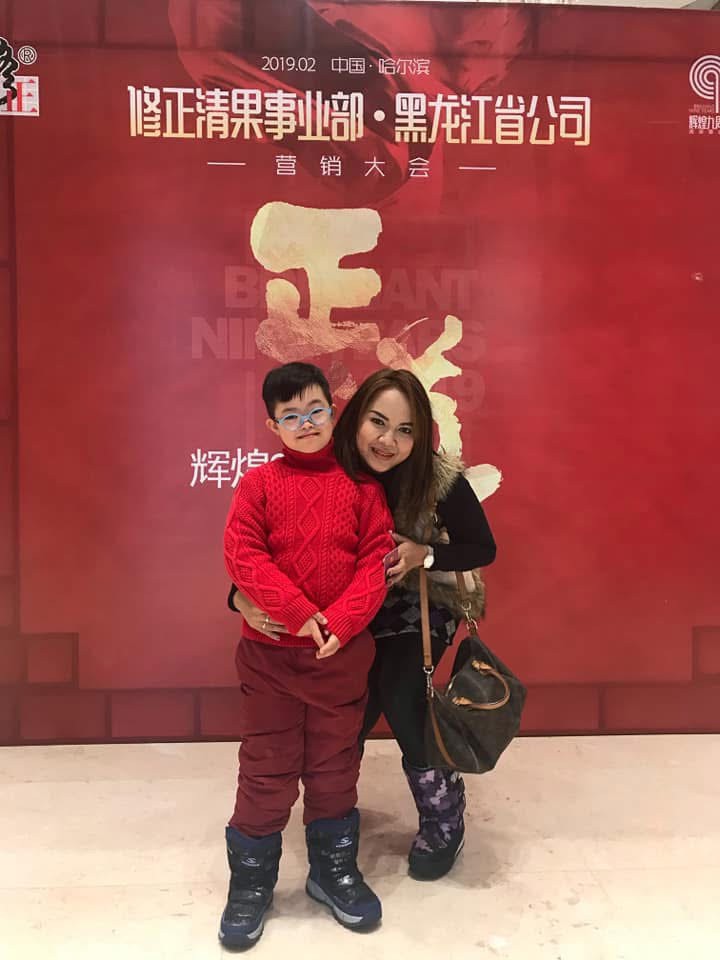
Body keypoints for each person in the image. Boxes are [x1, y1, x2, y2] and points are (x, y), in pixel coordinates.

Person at [231, 368, 496, 884]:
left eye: (405, 430)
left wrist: (424, 553)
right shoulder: (327, 464)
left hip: (418, 606)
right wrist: (238, 596)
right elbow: (270, 545)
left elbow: (482, 547)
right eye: (378, 422)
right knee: (349, 710)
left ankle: (443, 814)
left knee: (401, 693)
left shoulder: (439, 480)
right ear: (351, 419)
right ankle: (332, 819)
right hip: (343, 607)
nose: (387, 440)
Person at [221, 362, 394, 948]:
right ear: (273, 426)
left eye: (316, 410)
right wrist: (296, 611)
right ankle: (251, 882)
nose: (306, 423)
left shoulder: (363, 488)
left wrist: (341, 621)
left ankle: (332, 871)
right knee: (265, 769)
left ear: (333, 412)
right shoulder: (258, 485)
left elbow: (376, 562)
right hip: (269, 658)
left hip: (339, 659)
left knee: (335, 768)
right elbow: (242, 554)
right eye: (291, 416)